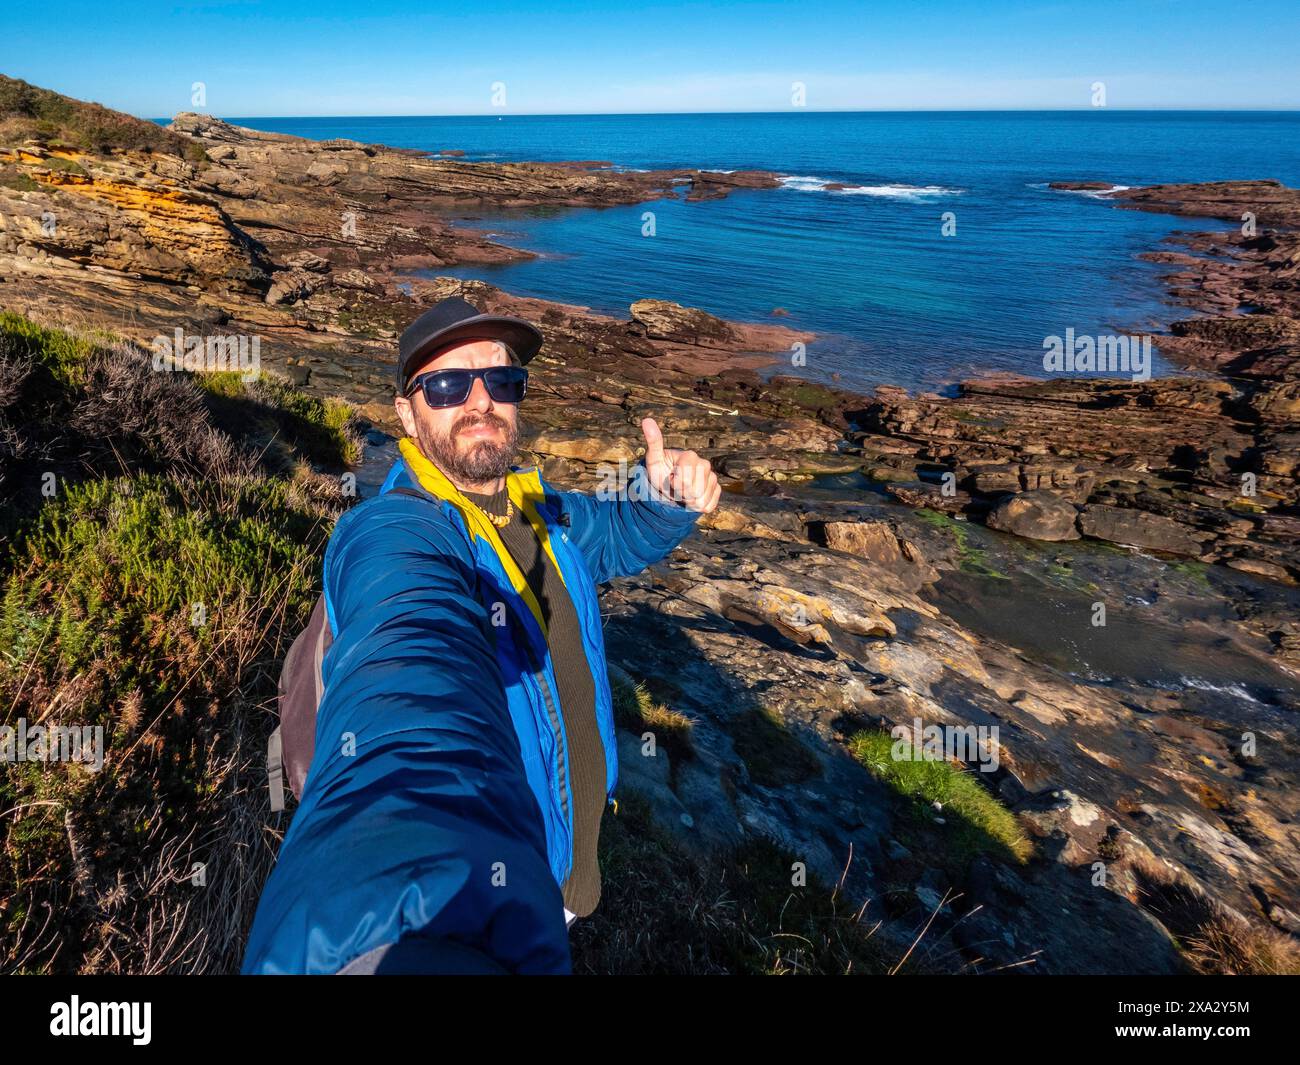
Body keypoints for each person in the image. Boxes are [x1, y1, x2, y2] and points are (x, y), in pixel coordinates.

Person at [242, 296, 719, 974]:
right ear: (406, 413)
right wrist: (390, 941)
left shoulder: (535, 506)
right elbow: (410, 680)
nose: (480, 400)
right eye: (446, 384)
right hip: (497, 866)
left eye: (502, 380)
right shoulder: (399, 533)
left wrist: (661, 499)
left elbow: (607, 540)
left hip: (557, 856)